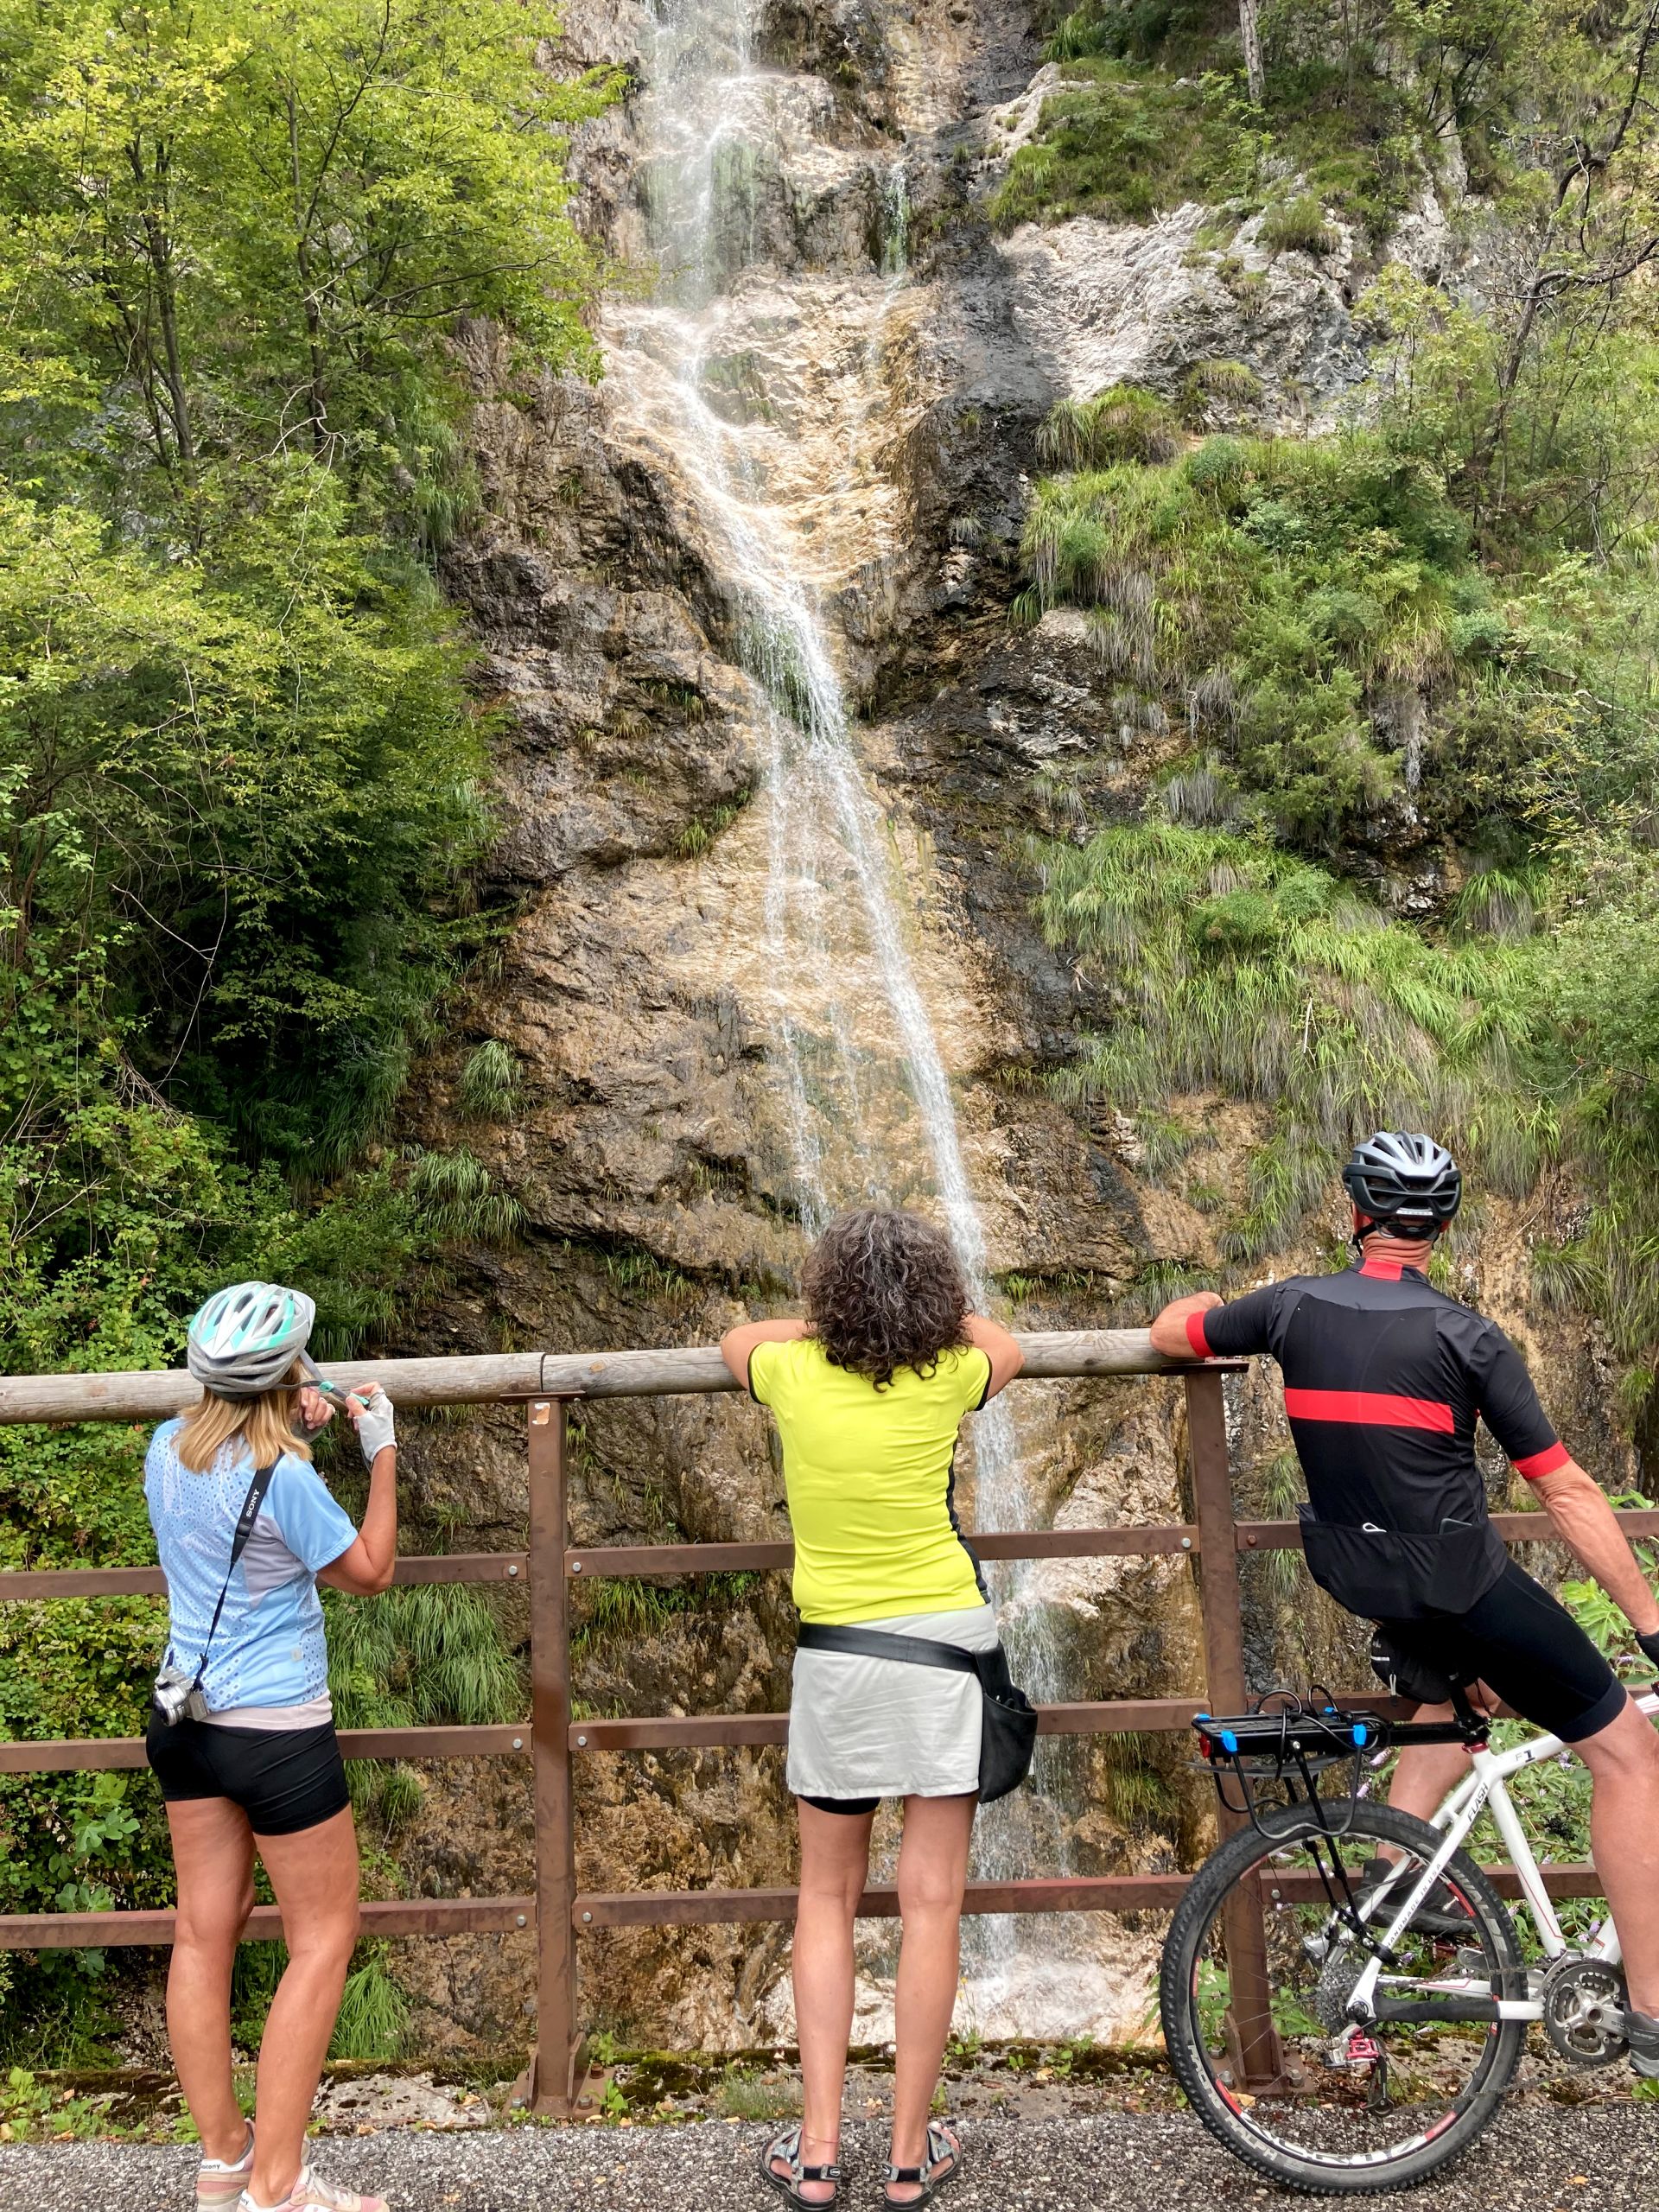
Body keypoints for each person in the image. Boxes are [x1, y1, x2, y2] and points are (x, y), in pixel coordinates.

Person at [1150, 1131, 1659, 2067]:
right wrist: (1651, 1623)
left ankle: (1390, 1890)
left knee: (1462, 1697)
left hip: (1357, 1574)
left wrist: (1205, 1308)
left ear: (1356, 1215)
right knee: (1630, 1756)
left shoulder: (1289, 1307)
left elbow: (1173, 1331)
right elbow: (1566, 1491)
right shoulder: (1468, 1338)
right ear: (1443, 1229)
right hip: (1457, 1581)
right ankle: (1656, 2014)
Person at [721, 1209, 1023, 2210]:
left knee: (825, 1896)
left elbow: (734, 1339)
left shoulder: (789, 1371)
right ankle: (905, 2155)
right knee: (932, 1902)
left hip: (839, 1657)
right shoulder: (950, 1372)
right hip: (946, 1651)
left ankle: (816, 2154)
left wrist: (822, 1329)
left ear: (828, 1295)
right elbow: (1006, 1344)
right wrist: (928, 1323)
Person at [144, 1281, 399, 2212]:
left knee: (200, 1934)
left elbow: (231, 1498)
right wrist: (381, 1452)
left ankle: (226, 2160)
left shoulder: (163, 1449)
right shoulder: (283, 1478)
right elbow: (368, 1571)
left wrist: (290, 1417)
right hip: (277, 1731)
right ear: (287, 1375)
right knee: (322, 1938)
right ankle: (280, 2185)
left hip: (185, 1722)